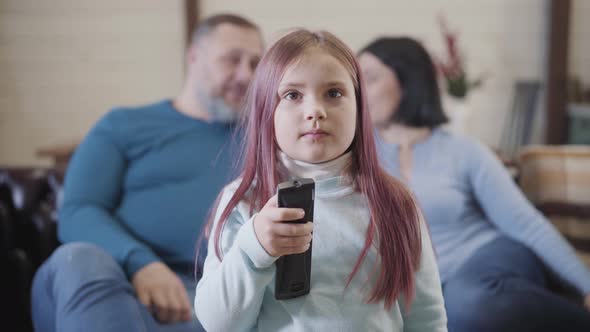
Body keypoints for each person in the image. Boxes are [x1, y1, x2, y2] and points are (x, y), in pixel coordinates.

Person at [193, 29, 447, 331]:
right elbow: (217, 323)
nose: (315, 110)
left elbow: (426, 317)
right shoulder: (244, 201)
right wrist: (254, 248)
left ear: (359, 108)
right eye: (292, 95)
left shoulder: (396, 202)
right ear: (265, 112)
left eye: (334, 93)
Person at [30, 14, 264, 332]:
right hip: (118, 286)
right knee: (78, 258)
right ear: (193, 57)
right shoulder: (124, 125)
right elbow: (77, 211)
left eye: (255, 64)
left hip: (213, 301)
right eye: (232, 60)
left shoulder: (264, 139)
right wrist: (141, 263)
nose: (245, 75)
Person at [358, 36, 590, 332]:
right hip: (431, 286)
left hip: (488, 256)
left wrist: (586, 285)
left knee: (464, 305)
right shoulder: (358, 159)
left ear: (408, 81)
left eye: (371, 78)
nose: (359, 91)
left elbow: (525, 223)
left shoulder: (463, 150)